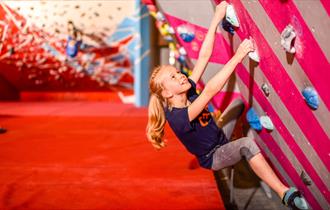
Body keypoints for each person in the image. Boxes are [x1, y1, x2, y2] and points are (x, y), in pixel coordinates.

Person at [146, 2, 308, 210]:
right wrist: (238, 56)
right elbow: (211, 90)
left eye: (177, 72)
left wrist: (216, 19)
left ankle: (250, 154)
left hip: (219, 134)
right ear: (167, 93)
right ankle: (284, 193)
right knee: (246, 145)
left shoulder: (185, 90)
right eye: (173, 77)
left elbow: (204, 56)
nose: (180, 76)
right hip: (214, 155)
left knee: (239, 103)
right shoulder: (178, 117)